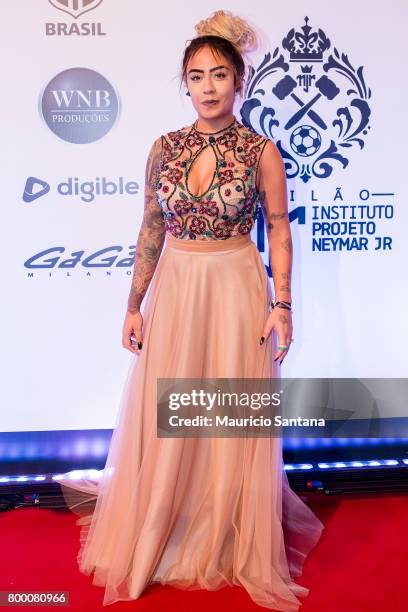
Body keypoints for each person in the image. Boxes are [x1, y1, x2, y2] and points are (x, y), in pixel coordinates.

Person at [59, 10, 324, 611]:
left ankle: (226, 536)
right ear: (185, 82)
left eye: (221, 74)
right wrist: (133, 304)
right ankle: (163, 527)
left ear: (240, 81)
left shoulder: (262, 152)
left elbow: (278, 231)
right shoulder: (164, 148)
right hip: (177, 286)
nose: (208, 86)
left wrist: (283, 304)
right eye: (197, 75)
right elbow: (150, 228)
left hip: (235, 285)